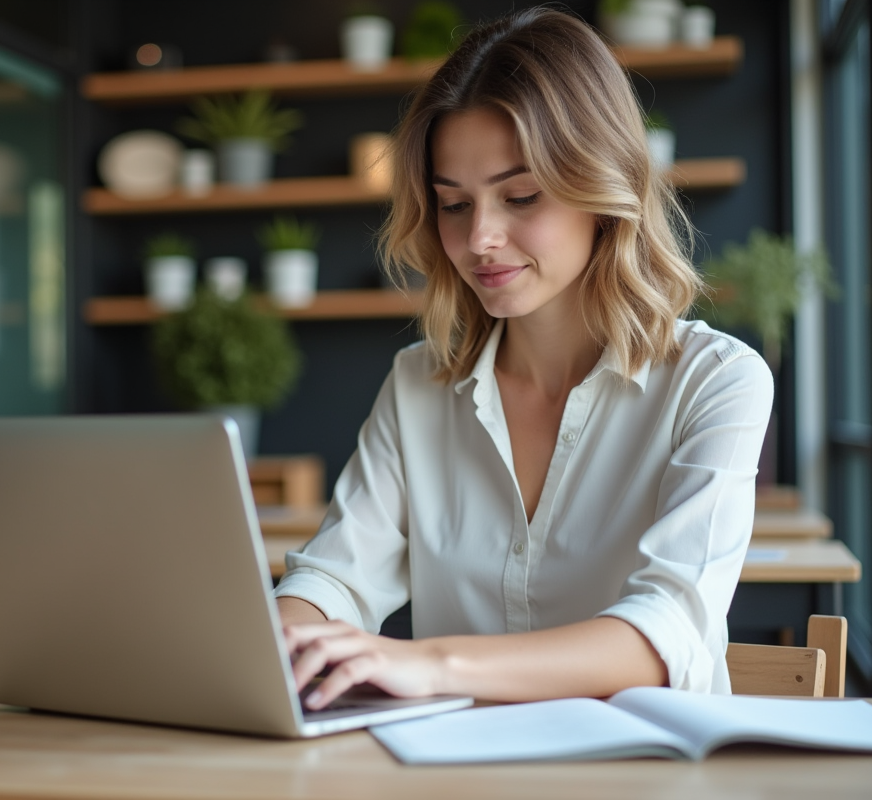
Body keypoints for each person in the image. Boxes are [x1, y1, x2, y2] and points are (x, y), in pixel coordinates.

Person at [274, 8, 773, 709]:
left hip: (643, 765)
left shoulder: (716, 381)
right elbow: (335, 578)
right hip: (456, 764)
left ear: (603, 189)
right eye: (453, 205)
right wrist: (279, 639)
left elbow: (665, 635)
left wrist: (431, 663)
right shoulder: (418, 384)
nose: (480, 237)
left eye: (520, 196)